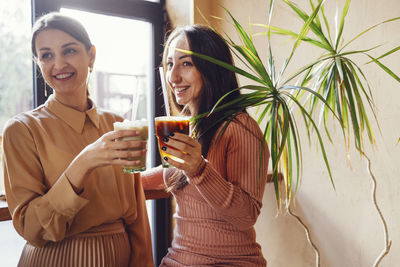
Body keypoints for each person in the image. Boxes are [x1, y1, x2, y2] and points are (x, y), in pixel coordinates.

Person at [1, 12, 153, 267]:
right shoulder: (21, 130)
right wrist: (82, 163)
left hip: (119, 255)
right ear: (38, 63)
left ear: (91, 56)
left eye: (69, 51)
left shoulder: (117, 124)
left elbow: (136, 216)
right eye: (46, 55)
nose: (58, 64)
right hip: (54, 258)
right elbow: (31, 228)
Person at [142, 25, 270, 266]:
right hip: (177, 260)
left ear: (211, 67)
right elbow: (174, 175)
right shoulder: (194, 126)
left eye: (186, 63)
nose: (173, 77)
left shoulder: (240, 127)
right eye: (170, 64)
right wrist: (122, 181)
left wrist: (198, 168)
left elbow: (246, 215)